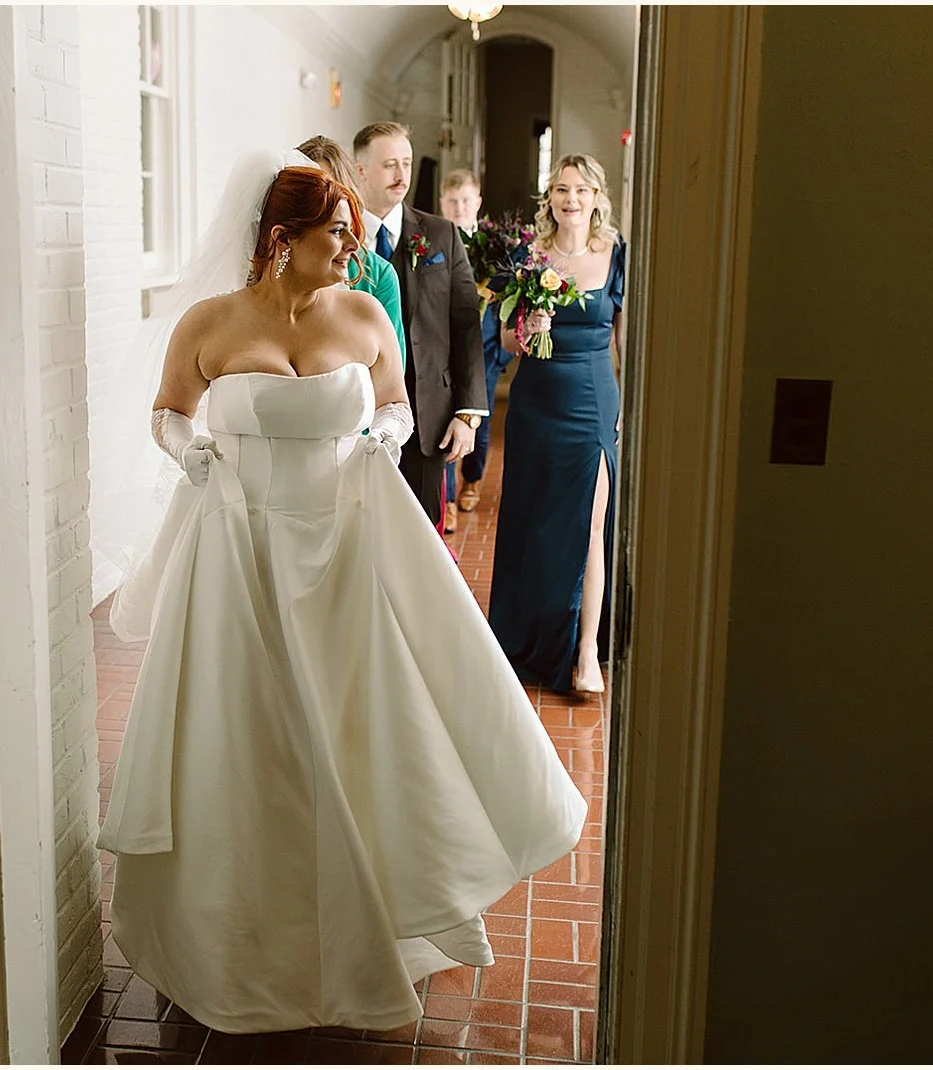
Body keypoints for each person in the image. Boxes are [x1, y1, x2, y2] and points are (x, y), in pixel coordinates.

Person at [99, 151, 587, 1034]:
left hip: (343, 547)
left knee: (358, 725)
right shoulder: (208, 323)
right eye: (336, 238)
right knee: (252, 736)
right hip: (240, 551)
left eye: (355, 236)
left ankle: (383, 913)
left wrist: (383, 435)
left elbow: (396, 403)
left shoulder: (363, 312)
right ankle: (239, 940)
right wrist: (188, 451)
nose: (353, 254)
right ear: (281, 242)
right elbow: (169, 412)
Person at [488, 154, 626, 695]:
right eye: (562, 190)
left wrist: (628, 413)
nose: (571, 199)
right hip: (536, 403)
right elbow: (503, 343)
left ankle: (586, 648)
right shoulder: (527, 257)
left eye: (582, 190)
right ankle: (533, 636)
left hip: (593, 401)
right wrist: (528, 324)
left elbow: (627, 339)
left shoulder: (617, 255)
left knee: (590, 526)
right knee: (535, 523)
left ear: (597, 198)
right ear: (551, 199)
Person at [351, 121, 487, 530]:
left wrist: (467, 414)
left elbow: (465, 323)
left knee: (422, 536)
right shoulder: (343, 237)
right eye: (390, 164)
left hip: (429, 415)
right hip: (356, 412)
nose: (402, 175)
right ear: (360, 171)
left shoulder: (440, 234)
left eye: (406, 163)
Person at [296, 135, 406, 369]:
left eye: (334, 192)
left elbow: (393, 376)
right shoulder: (267, 269)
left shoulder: (378, 275)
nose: (325, 206)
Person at [438, 170, 512, 516]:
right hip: (443, 348)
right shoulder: (433, 239)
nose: (459, 208)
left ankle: (472, 480)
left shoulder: (496, 246)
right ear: (443, 203)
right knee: (442, 421)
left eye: (466, 201)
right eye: (452, 201)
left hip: (484, 348)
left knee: (477, 421)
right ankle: (447, 497)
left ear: (478, 203)